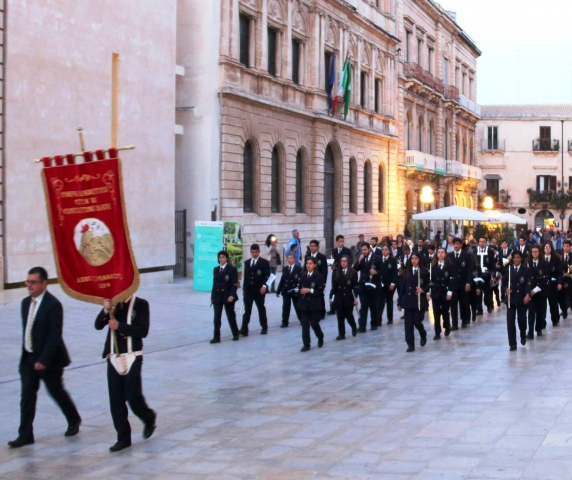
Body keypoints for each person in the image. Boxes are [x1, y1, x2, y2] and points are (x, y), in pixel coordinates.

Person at [8, 267, 82, 448]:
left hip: (49, 360)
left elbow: (54, 336)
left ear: (43, 284)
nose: (29, 285)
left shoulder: (53, 305)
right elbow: (28, 330)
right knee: (27, 396)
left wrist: (44, 360)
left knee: (56, 391)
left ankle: (73, 418)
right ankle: (25, 434)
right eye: (27, 282)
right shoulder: (25, 303)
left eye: (33, 282)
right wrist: (28, 354)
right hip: (28, 358)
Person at [95, 295, 156, 452]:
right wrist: (105, 310)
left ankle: (148, 417)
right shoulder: (113, 305)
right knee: (116, 399)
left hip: (132, 356)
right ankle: (123, 437)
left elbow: (143, 331)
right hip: (113, 356)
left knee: (133, 396)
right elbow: (97, 325)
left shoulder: (141, 304)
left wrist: (119, 326)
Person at [397, 253, 429, 352]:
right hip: (408, 301)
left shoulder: (424, 271)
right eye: (412, 258)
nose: (414, 260)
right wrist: (399, 302)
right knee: (408, 324)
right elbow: (403, 287)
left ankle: (422, 333)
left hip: (419, 301)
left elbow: (429, 283)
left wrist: (423, 289)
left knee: (417, 321)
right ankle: (410, 345)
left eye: (416, 258)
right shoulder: (407, 272)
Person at [503, 251, 531, 351]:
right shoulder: (508, 270)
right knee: (510, 321)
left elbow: (528, 283)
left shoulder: (526, 270)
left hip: (522, 298)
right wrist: (506, 289)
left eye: (518, 257)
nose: (516, 259)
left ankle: (523, 334)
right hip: (511, 299)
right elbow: (504, 283)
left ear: (521, 259)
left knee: (522, 320)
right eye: (514, 257)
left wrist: (528, 294)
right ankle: (512, 344)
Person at [240, 244, 271, 336]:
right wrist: (244, 289)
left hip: (259, 290)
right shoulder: (247, 262)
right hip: (249, 290)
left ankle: (264, 327)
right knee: (247, 310)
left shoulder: (264, 262)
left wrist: (265, 286)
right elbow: (246, 277)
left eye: (256, 252)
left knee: (261, 309)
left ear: (259, 252)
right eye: (252, 252)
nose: (254, 254)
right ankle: (244, 329)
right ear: (250, 252)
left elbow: (268, 276)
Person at [210, 250, 239, 343]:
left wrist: (232, 295)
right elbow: (214, 284)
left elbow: (234, 284)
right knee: (217, 317)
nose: (221, 259)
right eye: (220, 257)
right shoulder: (216, 269)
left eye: (223, 257)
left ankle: (235, 333)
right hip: (218, 296)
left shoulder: (232, 269)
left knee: (231, 316)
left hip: (228, 296)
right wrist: (212, 297)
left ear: (226, 259)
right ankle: (216, 336)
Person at [297, 257, 325, 351]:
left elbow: (320, 291)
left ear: (314, 265)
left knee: (314, 323)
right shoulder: (303, 275)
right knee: (305, 325)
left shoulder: (319, 276)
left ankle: (320, 336)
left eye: (310, 263)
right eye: (307, 263)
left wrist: (309, 290)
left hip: (314, 304)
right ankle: (306, 344)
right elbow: (300, 287)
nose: (308, 265)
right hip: (304, 304)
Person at [353, 243, 382, 332]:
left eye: (365, 250)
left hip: (373, 286)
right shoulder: (361, 258)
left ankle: (374, 323)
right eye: (362, 250)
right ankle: (362, 326)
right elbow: (355, 269)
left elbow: (383, 271)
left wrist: (376, 272)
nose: (363, 252)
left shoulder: (377, 258)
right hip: (363, 286)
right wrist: (359, 261)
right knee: (364, 307)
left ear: (369, 249)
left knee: (373, 306)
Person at [329, 255, 358, 340]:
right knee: (340, 316)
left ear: (348, 262)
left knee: (349, 315)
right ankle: (341, 333)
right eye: (342, 261)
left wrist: (355, 298)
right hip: (339, 297)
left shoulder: (353, 273)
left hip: (348, 297)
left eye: (345, 261)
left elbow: (355, 287)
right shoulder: (336, 273)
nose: (343, 263)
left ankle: (353, 326)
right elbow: (334, 287)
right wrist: (331, 297)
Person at [447, 238, 474, 330]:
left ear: (461, 245)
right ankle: (454, 323)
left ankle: (464, 320)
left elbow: (470, 270)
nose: (456, 245)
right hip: (453, 284)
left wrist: (468, 282)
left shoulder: (466, 255)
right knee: (453, 305)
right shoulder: (449, 256)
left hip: (463, 283)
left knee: (464, 303)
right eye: (454, 244)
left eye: (457, 244)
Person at [526, 245, 549, 339]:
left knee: (541, 312)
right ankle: (530, 332)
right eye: (533, 252)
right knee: (531, 312)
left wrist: (536, 290)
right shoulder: (528, 263)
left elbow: (546, 279)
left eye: (536, 251)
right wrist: (529, 290)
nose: (535, 253)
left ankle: (538, 329)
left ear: (539, 253)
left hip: (541, 291)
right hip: (531, 292)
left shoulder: (544, 264)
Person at [276, 253, 302, 327]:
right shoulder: (285, 268)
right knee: (285, 307)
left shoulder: (298, 269)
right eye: (288, 258)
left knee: (297, 306)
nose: (289, 260)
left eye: (291, 258)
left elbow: (300, 280)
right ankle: (285, 322)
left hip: (294, 290)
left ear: (294, 259)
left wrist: (299, 289)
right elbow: (282, 280)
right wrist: (278, 290)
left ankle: (301, 319)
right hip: (286, 290)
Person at [328, 235, 352, 316]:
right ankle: (332, 308)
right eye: (340, 241)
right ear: (337, 242)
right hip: (335, 272)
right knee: (334, 288)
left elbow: (350, 261)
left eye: (343, 241)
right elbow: (332, 260)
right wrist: (332, 265)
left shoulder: (347, 251)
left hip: (344, 272)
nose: (342, 243)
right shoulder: (334, 251)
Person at [304, 240, 328, 319]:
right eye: (311, 246)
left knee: (320, 295)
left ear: (317, 247)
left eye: (314, 246)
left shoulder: (322, 257)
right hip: (309, 278)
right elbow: (305, 268)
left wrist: (324, 282)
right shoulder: (307, 256)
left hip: (319, 279)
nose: (312, 247)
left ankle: (322, 312)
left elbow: (325, 271)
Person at [544, 242, 562, 326]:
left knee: (553, 303)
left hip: (553, 284)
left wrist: (559, 283)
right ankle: (542, 322)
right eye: (546, 247)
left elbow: (559, 272)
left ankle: (555, 319)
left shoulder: (556, 258)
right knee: (542, 305)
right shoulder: (541, 259)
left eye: (549, 247)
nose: (547, 249)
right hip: (543, 284)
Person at [379, 245, 398, 325]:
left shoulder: (393, 260)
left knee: (389, 301)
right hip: (381, 284)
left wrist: (393, 283)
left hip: (389, 284)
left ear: (389, 251)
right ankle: (378, 319)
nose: (384, 251)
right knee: (380, 302)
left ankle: (390, 318)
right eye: (383, 249)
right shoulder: (379, 260)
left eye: (386, 249)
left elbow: (394, 273)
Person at [560, 240, 572, 319]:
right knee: (562, 295)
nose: (566, 248)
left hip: (571, 278)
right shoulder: (560, 256)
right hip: (562, 278)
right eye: (565, 246)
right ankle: (564, 309)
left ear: (570, 247)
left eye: (568, 246)